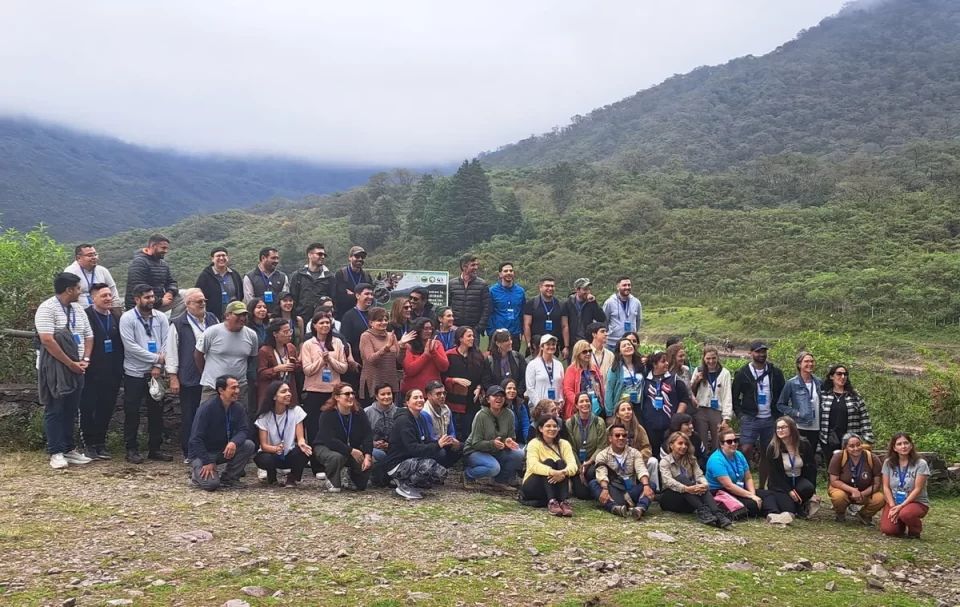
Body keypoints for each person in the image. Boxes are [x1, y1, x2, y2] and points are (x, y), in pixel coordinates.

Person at [36, 272, 95, 469]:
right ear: (69, 290)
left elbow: (88, 335)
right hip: (55, 368)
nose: (80, 292)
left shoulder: (78, 309)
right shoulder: (47, 309)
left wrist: (85, 359)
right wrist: (70, 363)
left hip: (78, 368)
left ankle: (69, 449)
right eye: (78, 288)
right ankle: (56, 451)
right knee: (55, 409)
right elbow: (47, 340)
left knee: (71, 409)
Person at [119, 284, 171, 464]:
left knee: (156, 412)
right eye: (147, 297)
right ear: (137, 299)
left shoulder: (161, 317)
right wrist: (155, 358)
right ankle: (131, 449)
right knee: (132, 411)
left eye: (152, 297)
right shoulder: (127, 318)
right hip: (134, 372)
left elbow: (166, 341)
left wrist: (157, 364)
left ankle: (155, 448)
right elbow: (130, 346)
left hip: (156, 373)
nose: (151, 300)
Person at [165, 288, 218, 462]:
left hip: (210, 374)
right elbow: (171, 351)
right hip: (189, 377)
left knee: (209, 414)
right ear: (187, 304)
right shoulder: (178, 324)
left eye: (203, 300)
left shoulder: (212, 319)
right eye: (198, 301)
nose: (202, 304)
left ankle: (208, 449)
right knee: (190, 415)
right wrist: (173, 376)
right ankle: (189, 451)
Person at [79, 283, 124, 460]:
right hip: (91, 372)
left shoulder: (114, 316)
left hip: (111, 373)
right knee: (88, 408)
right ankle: (88, 444)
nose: (108, 298)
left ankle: (100, 442)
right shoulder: (86, 316)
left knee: (106, 408)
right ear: (93, 298)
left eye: (109, 295)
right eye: (104, 295)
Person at [732, 340, 785, 489]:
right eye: (758, 351)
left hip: (770, 418)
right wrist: (740, 415)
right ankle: (744, 483)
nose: (762, 354)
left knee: (767, 452)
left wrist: (779, 414)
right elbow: (735, 396)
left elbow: (782, 394)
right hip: (750, 416)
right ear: (751, 353)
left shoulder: (775, 372)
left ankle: (762, 487)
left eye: (763, 351)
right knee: (745, 449)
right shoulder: (743, 373)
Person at [188, 375, 256, 491]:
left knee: (248, 445)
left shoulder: (238, 407)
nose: (237, 391)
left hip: (222, 449)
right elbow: (195, 438)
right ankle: (195, 473)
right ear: (221, 390)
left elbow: (243, 430)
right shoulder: (207, 408)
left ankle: (230, 477)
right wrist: (206, 461)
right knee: (211, 485)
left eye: (238, 387)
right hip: (203, 452)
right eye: (233, 388)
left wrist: (234, 442)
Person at [385, 388, 450, 500]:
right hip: (397, 463)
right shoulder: (403, 420)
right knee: (428, 465)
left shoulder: (421, 418)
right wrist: (437, 445)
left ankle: (410, 481)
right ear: (407, 402)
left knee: (441, 473)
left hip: (415, 460)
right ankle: (405, 486)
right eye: (415, 398)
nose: (419, 400)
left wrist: (440, 442)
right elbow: (412, 448)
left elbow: (426, 441)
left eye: (421, 397)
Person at [659, 431, 732, 528]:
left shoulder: (691, 460)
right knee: (682, 478)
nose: (684, 446)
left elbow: (700, 476)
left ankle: (717, 513)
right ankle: (702, 510)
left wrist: (704, 484)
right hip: (670, 499)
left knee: (702, 485)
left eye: (686, 444)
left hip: (689, 500)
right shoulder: (665, 461)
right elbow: (668, 482)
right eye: (680, 443)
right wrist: (686, 489)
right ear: (671, 445)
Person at [194, 301, 259, 405]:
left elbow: (252, 358)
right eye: (238, 315)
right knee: (208, 418)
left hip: (239, 388)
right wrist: (205, 373)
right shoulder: (212, 332)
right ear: (227, 315)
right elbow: (198, 354)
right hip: (213, 386)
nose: (242, 318)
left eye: (244, 315)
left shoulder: (251, 335)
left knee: (238, 418)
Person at [314, 382, 374, 492]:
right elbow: (330, 440)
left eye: (352, 393)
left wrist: (368, 455)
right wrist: (351, 451)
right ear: (337, 397)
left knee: (360, 485)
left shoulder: (359, 413)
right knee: (336, 458)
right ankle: (332, 480)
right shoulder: (327, 414)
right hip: (326, 447)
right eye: (347, 394)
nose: (351, 396)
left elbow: (367, 434)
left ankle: (352, 477)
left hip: (351, 448)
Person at [705, 429, 778, 519]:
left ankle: (774, 515)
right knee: (752, 504)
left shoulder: (739, 455)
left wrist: (753, 494)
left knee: (768, 494)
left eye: (735, 441)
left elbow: (748, 478)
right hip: (721, 492)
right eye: (729, 441)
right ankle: (764, 511)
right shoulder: (716, 460)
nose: (733, 444)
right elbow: (729, 486)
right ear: (721, 444)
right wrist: (751, 496)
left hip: (738, 488)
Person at [463, 385, 525, 490]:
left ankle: (500, 481)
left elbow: (511, 436)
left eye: (501, 396)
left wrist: (508, 441)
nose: (499, 398)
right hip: (475, 451)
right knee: (493, 467)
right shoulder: (481, 415)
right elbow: (475, 443)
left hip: (498, 450)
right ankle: (467, 475)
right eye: (495, 396)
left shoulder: (509, 414)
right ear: (487, 399)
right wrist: (492, 444)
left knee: (519, 454)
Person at [301, 311, 349, 444]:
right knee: (313, 426)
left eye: (328, 322)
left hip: (333, 390)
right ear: (314, 325)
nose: (325, 325)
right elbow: (307, 370)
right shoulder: (308, 344)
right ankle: (314, 457)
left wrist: (331, 361)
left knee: (333, 425)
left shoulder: (337, 342)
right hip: (314, 390)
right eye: (321, 323)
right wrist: (322, 361)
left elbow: (344, 368)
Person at [591, 423, 657, 519]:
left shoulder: (635, 453)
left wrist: (646, 486)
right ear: (610, 438)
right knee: (593, 483)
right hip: (614, 489)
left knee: (651, 485)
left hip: (631, 490)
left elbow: (641, 469)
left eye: (624, 435)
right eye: (617, 435)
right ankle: (614, 507)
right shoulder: (602, 455)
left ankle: (640, 509)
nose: (621, 438)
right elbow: (602, 473)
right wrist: (605, 489)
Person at [253, 381, 311, 486]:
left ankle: (292, 477)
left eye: (289, 391)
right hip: (272, 453)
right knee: (263, 459)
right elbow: (264, 445)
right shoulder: (264, 416)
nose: (288, 394)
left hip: (289, 453)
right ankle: (271, 474)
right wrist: (276, 449)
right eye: (284, 392)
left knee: (304, 452)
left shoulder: (296, 411)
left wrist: (302, 443)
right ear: (274, 397)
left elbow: (300, 437)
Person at [520, 414, 578, 516]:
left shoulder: (564, 444)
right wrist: (552, 471)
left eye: (555, 426)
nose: (552, 429)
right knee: (548, 462)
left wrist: (562, 472)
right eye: (548, 426)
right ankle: (552, 501)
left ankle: (563, 501)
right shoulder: (534, 443)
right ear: (541, 428)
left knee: (561, 463)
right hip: (533, 485)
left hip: (555, 483)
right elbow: (533, 465)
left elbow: (573, 465)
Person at [766, 416, 819, 520]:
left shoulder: (804, 444)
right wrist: (789, 490)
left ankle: (802, 503)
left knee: (808, 488)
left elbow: (811, 467)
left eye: (783, 427)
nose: (780, 430)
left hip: (798, 478)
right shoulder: (772, 448)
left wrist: (812, 491)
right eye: (778, 428)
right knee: (789, 508)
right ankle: (794, 506)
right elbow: (774, 474)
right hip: (780, 482)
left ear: (792, 428)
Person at [640, 350, 690, 459]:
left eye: (667, 361)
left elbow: (685, 398)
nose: (667, 363)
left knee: (669, 453)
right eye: (663, 361)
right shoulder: (645, 380)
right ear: (654, 364)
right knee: (653, 454)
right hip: (650, 425)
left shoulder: (674, 378)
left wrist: (677, 416)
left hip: (669, 424)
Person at [828, 432, 884, 525]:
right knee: (839, 497)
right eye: (851, 446)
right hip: (843, 489)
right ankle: (840, 513)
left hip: (865, 492)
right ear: (845, 447)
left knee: (879, 499)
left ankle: (864, 515)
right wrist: (853, 491)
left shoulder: (872, 458)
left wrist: (861, 494)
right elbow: (834, 481)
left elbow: (877, 484)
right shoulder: (839, 457)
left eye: (858, 445)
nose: (856, 448)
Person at [881, 433, 930, 538]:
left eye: (906, 443)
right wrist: (893, 506)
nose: (903, 446)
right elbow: (885, 486)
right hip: (894, 501)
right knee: (889, 530)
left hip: (915, 501)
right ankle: (901, 524)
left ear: (911, 445)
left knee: (906, 513)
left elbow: (918, 489)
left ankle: (915, 531)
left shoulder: (921, 463)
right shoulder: (888, 463)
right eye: (899, 444)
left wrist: (901, 507)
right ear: (894, 448)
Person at [820, 363, 875, 455]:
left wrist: (868, 438)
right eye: (839, 374)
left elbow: (864, 418)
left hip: (851, 441)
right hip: (829, 440)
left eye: (845, 374)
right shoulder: (824, 395)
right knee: (833, 467)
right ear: (831, 377)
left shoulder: (855, 396)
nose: (842, 377)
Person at [444, 326, 487, 439]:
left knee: (470, 433)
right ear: (460, 338)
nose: (472, 338)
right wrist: (454, 380)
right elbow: (442, 377)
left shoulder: (478, 355)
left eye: (473, 335)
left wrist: (479, 388)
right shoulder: (449, 355)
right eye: (469, 336)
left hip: (472, 402)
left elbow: (483, 376)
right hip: (453, 402)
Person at [689, 345, 733, 453]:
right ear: (704, 358)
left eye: (713, 358)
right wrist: (696, 380)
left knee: (718, 441)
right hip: (701, 410)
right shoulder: (699, 370)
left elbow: (727, 395)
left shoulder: (724, 373)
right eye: (708, 358)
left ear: (717, 357)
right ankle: (703, 465)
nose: (711, 361)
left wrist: (726, 418)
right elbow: (690, 390)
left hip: (717, 411)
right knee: (701, 441)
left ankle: (717, 465)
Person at [124, 234, 181, 316]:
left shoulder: (163, 264)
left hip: (157, 304)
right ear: (153, 246)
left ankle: (174, 324)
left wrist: (170, 292)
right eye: (163, 248)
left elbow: (171, 282)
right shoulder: (139, 262)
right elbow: (138, 289)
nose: (166, 251)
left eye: (167, 248)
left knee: (186, 295)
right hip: (141, 306)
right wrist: (161, 301)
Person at [565, 392, 608, 500]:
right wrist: (580, 466)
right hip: (576, 462)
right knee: (583, 495)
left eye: (587, 401)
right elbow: (570, 448)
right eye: (581, 401)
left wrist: (589, 462)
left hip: (593, 462)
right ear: (576, 405)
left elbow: (601, 446)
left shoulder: (599, 422)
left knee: (591, 472)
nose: (585, 404)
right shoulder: (570, 423)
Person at [359, 307, 406, 405]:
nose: (383, 322)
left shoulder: (391, 335)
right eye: (379, 320)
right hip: (374, 381)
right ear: (371, 323)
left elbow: (399, 361)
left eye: (385, 320)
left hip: (390, 380)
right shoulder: (366, 336)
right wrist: (386, 348)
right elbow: (370, 359)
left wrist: (402, 347)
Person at [777, 351, 822, 450]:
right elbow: (780, 405)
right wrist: (796, 413)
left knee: (811, 456)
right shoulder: (792, 383)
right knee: (800, 454)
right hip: (800, 425)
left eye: (812, 361)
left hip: (817, 426)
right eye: (806, 361)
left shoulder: (819, 382)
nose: (810, 364)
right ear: (799, 364)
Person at [256, 319, 300, 410]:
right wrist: (276, 369)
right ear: (275, 334)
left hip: (289, 388)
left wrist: (294, 364)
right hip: (272, 391)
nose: (289, 334)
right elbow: (261, 374)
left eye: (290, 331)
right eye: (285, 332)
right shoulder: (264, 350)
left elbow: (299, 368)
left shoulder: (291, 347)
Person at [64, 244, 122, 312]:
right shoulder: (70, 272)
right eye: (90, 255)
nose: (94, 257)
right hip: (79, 313)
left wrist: (117, 317)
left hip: (102, 313)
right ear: (79, 258)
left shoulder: (102, 271)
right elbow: (67, 297)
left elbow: (114, 293)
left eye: (95, 254)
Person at [339, 282, 375, 389]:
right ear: (357, 296)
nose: (370, 297)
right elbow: (346, 340)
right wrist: (350, 359)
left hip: (373, 362)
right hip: (357, 363)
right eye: (367, 294)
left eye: (371, 294)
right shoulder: (348, 316)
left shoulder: (374, 315)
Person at [401, 317, 449, 395]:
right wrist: (426, 355)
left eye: (430, 328)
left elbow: (444, 367)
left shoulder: (437, 344)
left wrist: (433, 352)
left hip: (433, 393)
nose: (429, 331)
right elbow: (410, 370)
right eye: (425, 329)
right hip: (412, 393)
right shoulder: (408, 346)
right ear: (418, 330)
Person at [421, 380, 463, 468]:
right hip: (431, 444)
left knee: (461, 447)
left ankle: (444, 469)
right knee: (441, 453)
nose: (442, 396)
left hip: (445, 441)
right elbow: (430, 438)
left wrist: (453, 440)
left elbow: (451, 430)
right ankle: (437, 472)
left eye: (444, 393)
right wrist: (446, 442)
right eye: (438, 394)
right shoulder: (425, 413)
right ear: (429, 396)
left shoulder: (446, 408)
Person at [194, 247, 243, 321]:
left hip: (233, 317)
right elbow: (198, 295)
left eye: (224, 255)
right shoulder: (205, 276)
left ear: (227, 258)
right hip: (213, 318)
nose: (221, 258)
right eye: (218, 256)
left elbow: (241, 294)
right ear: (212, 259)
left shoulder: (234, 274)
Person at [290, 242, 333, 324]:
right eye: (319, 254)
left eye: (324, 255)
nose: (323, 257)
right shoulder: (298, 275)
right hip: (301, 319)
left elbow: (333, 299)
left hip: (322, 321)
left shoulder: (329, 277)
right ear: (310, 255)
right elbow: (293, 298)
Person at [563, 278, 606, 360]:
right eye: (585, 289)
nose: (587, 292)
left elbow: (601, 318)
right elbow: (563, 326)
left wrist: (594, 303)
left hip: (587, 343)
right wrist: (565, 346)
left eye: (589, 289)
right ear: (577, 290)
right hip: (573, 344)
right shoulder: (567, 304)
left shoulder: (591, 304)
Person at [448, 254, 490, 337]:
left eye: (477, 265)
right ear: (464, 267)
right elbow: (447, 305)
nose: (476, 267)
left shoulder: (482, 284)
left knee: (473, 350)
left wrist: (479, 327)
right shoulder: (452, 283)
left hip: (473, 330)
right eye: (473, 265)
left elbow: (487, 308)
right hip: (455, 328)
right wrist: (450, 325)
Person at [523, 276, 565, 358]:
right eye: (547, 286)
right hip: (536, 347)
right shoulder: (532, 303)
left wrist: (565, 346)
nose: (550, 288)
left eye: (552, 286)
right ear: (540, 287)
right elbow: (526, 324)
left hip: (553, 346)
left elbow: (564, 326)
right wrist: (529, 343)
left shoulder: (560, 305)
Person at [603, 336, 645, 418]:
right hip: (621, 407)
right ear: (620, 352)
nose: (628, 347)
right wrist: (610, 413)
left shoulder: (640, 366)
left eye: (629, 344)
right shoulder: (615, 369)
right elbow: (609, 390)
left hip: (637, 406)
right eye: (624, 346)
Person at [562, 340, 605, 419]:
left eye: (590, 351)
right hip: (578, 410)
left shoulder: (594, 367)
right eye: (584, 352)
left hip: (596, 407)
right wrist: (579, 403)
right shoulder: (571, 369)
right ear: (578, 353)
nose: (588, 354)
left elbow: (601, 386)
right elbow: (568, 390)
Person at [488, 262, 526, 351]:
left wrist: (522, 331)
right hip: (498, 334)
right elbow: (488, 313)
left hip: (515, 334)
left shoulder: (520, 291)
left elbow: (523, 313)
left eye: (511, 271)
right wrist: (492, 332)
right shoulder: (492, 291)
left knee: (514, 362)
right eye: (505, 271)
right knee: (496, 362)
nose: (509, 273)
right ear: (500, 274)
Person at [243, 247, 290, 315]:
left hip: (277, 318)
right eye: (273, 258)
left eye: (277, 258)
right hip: (256, 318)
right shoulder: (249, 277)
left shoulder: (282, 277)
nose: (276, 261)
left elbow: (285, 299)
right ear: (263, 258)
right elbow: (249, 301)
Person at [525, 335, 565, 412]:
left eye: (553, 344)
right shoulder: (533, 364)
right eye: (548, 344)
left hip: (555, 408)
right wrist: (541, 406)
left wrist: (560, 402)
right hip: (538, 408)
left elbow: (561, 386)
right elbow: (530, 388)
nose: (551, 346)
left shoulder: (559, 364)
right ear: (542, 347)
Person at [333, 246, 373, 321]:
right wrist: (361, 297)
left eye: (362, 257)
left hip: (363, 316)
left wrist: (352, 294)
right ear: (350, 257)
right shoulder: (341, 274)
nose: (360, 259)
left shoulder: (367, 276)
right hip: (344, 316)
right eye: (357, 256)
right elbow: (341, 298)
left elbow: (370, 299)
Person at [602, 276, 641, 350]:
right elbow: (604, 321)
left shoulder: (636, 302)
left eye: (629, 285)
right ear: (618, 287)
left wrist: (633, 334)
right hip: (613, 344)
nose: (627, 287)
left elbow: (638, 320)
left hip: (630, 344)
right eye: (624, 285)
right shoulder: (609, 303)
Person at [485, 328, 527, 396]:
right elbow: (487, 381)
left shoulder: (518, 357)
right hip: (497, 398)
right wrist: (498, 394)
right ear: (498, 343)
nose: (510, 342)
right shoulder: (489, 360)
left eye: (510, 339)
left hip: (516, 397)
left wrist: (517, 393)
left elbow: (524, 378)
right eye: (506, 340)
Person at [365, 383, 398, 468]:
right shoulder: (366, 412)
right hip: (372, 447)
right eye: (383, 394)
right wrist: (373, 444)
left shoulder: (399, 412)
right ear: (376, 396)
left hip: (393, 446)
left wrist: (391, 444)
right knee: (380, 455)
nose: (386, 397)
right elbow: (360, 435)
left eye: (389, 394)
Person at [502, 378, 530, 447]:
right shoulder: (499, 406)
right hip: (504, 443)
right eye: (509, 388)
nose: (512, 391)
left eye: (514, 389)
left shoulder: (520, 404)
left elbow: (525, 425)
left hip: (519, 440)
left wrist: (529, 442)